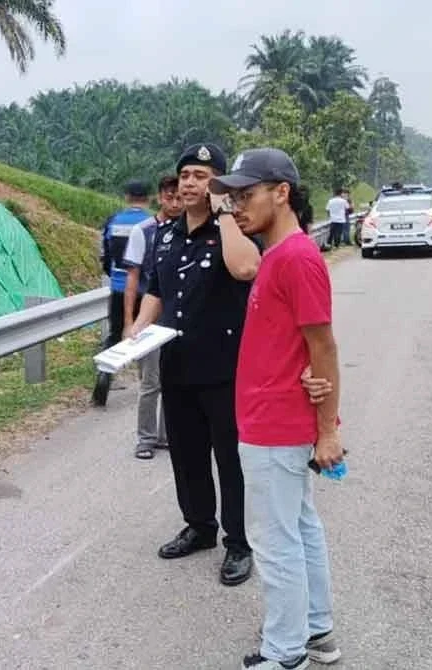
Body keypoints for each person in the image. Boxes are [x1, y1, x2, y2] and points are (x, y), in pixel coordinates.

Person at [208, 148, 343, 670]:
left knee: (275, 541)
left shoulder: (296, 259)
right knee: (300, 528)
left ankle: (285, 653)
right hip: (275, 421)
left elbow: (324, 346)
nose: (237, 205)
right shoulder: (279, 256)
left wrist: (327, 429)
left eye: (247, 194)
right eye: (234, 196)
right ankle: (316, 632)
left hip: (276, 426)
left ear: (281, 193)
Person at [128, 143, 260, 586]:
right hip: (177, 365)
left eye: (201, 176)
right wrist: (137, 329)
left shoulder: (234, 231)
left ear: (218, 185)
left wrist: (224, 212)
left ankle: (238, 542)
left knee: (230, 458)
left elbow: (245, 271)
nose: (188, 182)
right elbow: (155, 290)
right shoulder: (165, 235)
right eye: (184, 174)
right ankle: (200, 526)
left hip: (225, 369)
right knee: (186, 455)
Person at [121, 175, 184, 459]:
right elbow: (132, 279)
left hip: (180, 317)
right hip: (150, 316)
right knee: (151, 380)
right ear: (160, 197)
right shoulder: (144, 231)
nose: (175, 202)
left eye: (179, 197)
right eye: (169, 197)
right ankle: (145, 438)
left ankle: (166, 434)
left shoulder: (189, 229)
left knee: (176, 379)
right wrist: (128, 322)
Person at [93, 180, 154, 406]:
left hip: (119, 286)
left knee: (115, 334)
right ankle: (146, 384)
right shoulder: (151, 223)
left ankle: (104, 377)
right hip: (147, 291)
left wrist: (114, 275)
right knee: (147, 338)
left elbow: (105, 255)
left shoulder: (114, 221)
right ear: (148, 198)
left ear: (127, 196)